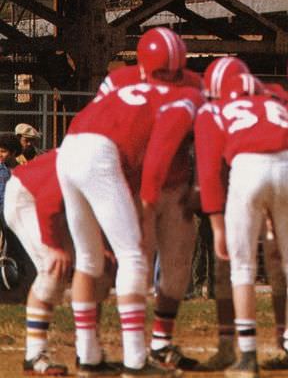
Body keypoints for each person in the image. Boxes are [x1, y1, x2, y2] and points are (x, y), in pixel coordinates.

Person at [56, 30, 204, 378]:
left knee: (89, 258)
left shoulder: (119, 82)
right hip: (107, 156)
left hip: (71, 146)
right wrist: (149, 204)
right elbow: (158, 154)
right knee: (133, 257)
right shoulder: (186, 95)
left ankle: (88, 354)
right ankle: (137, 361)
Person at [194, 71, 288, 378]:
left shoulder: (215, 110)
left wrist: (216, 223)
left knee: (243, 268)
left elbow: (209, 171)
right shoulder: (280, 104)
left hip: (247, 167)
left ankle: (248, 357)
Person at [5, 149, 116, 377]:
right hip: (28, 196)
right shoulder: (97, 155)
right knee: (52, 268)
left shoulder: (120, 154)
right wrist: (55, 247)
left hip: (62, 204)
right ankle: (34, 355)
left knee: (95, 267)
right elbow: (49, 198)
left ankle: (88, 351)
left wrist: (102, 244)